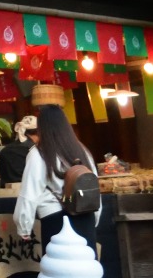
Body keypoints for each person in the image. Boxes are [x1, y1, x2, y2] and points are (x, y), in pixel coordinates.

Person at [13, 104, 101, 254]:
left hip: (55, 219)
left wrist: (24, 227)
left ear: (42, 127)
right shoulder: (82, 150)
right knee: (85, 268)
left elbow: (29, 193)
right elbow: (93, 187)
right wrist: (94, 218)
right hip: (86, 217)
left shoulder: (39, 153)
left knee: (59, 269)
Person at [0, 115, 38, 185]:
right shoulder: (34, 151)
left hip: (6, 194)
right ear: (38, 133)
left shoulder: (5, 151)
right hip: (29, 193)